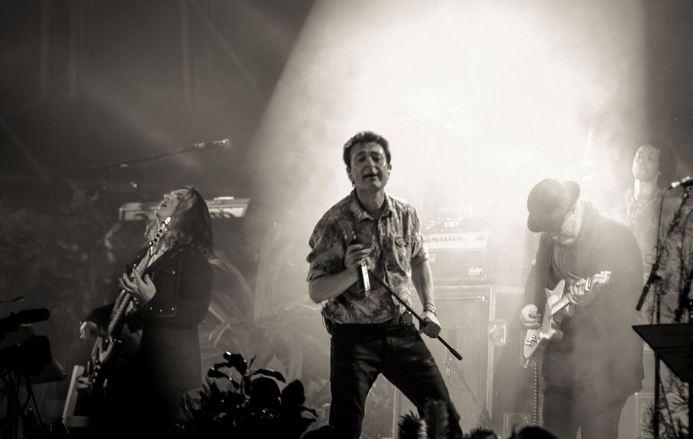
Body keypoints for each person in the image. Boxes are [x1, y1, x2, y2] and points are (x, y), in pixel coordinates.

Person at [306, 131, 463, 439]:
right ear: (350, 173)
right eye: (360, 159)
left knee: (445, 419)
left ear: (389, 168)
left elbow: (419, 260)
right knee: (345, 428)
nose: (370, 165)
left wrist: (430, 309)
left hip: (401, 330)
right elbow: (316, 290)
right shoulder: (334, 222)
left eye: (377, 157)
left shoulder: (406, 214)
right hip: (354, 338)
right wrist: (350, 273)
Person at [80, 186, 213, 435]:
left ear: (187, 212)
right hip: (126, 366)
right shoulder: (146, 253)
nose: (166, 196)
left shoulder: (192, 258)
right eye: (168, 194)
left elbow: (196, 311)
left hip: (161, 373)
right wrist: (96, 318)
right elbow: (126, 303)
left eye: (177, 197)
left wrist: (154, 300)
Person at [519, 179, 643, 439]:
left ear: (574, 208)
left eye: (557, 227)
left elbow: (630, 300)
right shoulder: (549, 239)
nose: (553, 235)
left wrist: (591, 303)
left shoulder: (616, 237)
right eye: (548, 230)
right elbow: (538, 276)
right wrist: (530, 305)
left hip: (605, 368)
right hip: (560, 369)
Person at [625, 143, 675, 287]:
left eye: (650, 158)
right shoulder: (618, 204)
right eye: (639, 155)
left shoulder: (669, 208)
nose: (641, 160)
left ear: (660, 169)